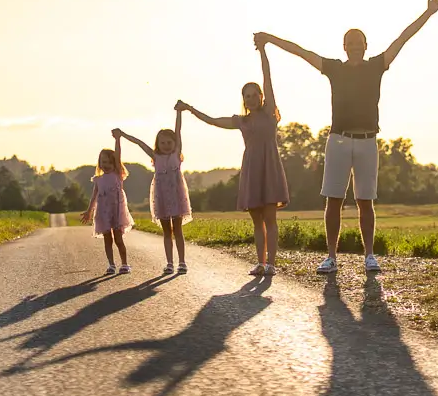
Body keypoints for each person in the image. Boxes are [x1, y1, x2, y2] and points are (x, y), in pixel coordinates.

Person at [257, 0, 438, 275]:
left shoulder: (377, 65)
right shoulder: (334, 68)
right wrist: (271, 39)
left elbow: (403, 38)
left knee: (365, 201)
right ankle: (331, 257)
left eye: (359, 43)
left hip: (367, 141)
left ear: (366, 46)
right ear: (344, 47)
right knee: (333, 200)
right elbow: (301, 52)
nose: (355, 47)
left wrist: (428, 13)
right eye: (350, 43)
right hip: (339, 140)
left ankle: (369, 255)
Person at [182, 41, 288, 277]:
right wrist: (190, 109)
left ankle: (271, 264)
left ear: (261, 96)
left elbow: (267, 78)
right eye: (246, 96)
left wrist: (263, 52)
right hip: (251, 170)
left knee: (270, 219)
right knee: (257, 221)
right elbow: (212, 121)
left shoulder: (270, 113)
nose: (251, 99)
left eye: (254, 95)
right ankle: (260, 263)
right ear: (244, 99)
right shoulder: (241, 121)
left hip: (270, 168)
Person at [115, 109, 191, 274]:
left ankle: (182, 262)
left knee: (178, 229)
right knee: (166, 231)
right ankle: (169, 263)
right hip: (161, 197)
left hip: (177, 197)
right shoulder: (156, 157)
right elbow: (139, 142)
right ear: (158, 144)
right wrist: (122, 135)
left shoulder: (176, 154)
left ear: (174, 143)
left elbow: (178, 130)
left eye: (169, 142)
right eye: (162, 143)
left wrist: (179, 113)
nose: (166, 145)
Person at [82, 145, 132, 275]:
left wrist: (118, 139)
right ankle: (111, 264)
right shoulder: (98, 180)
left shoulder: (117, 175)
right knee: (107, 240)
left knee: (118, 239)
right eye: (104, 162)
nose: (107, 165)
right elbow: (94, 196)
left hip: (116, 212)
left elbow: (118, 155)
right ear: (99, 163)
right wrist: (89, 211)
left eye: (110, 162)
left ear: (115, 163)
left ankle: (125, 264)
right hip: (103, 212)